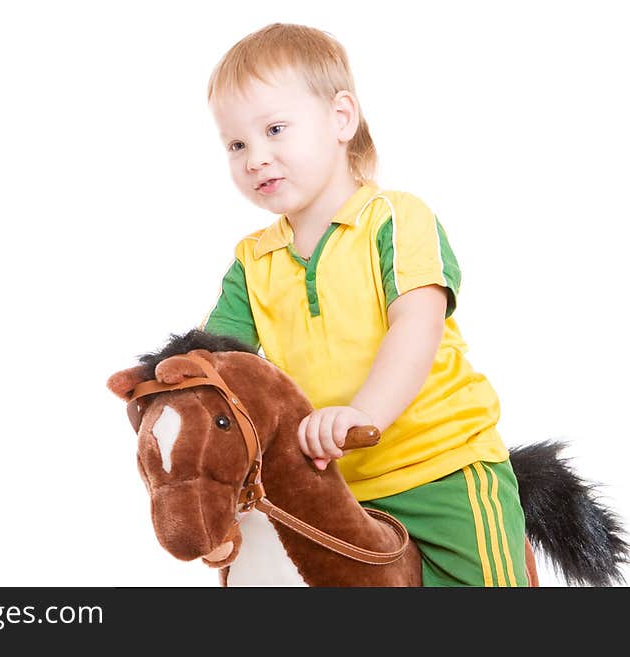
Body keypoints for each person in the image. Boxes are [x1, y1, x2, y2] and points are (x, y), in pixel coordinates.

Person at [198, 22, 528, 586]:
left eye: (275, 129)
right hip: (329, 481)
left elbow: (416, 323)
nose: (255, 157)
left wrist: (364, 414)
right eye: (237, 144)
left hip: (439, 465)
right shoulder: (253, 261)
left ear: (340, 118)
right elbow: (218, 365)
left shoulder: (395, 219)